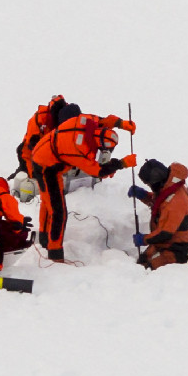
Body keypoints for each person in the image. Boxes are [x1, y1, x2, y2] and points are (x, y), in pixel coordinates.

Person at [26, 104, 137, 260]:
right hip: (45, 166)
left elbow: (103, 120)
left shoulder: (86, 121)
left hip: (48, 153)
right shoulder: (80, 149)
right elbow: (97, 171)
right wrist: (122, 164)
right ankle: (54, 253)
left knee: (48, 201)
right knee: (59, 211)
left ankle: (45, 238)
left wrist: (121, 124)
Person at [129, 160, 188, 268]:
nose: (149, 186)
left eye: (149, 184)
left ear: (156, 181)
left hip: (174, 248)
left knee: (147, 269)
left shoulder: (175, 203)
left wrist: (144, 239)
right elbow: (161, 203)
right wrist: (144, 196)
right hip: (161, 244)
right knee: (142, 261)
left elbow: (164, 234)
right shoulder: (169, 186)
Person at [14, 94, 68, 176]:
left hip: (56, 154)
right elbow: (31, 145)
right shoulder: (39, 118)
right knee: (29, 176)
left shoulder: (70, 115)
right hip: (31, 153)